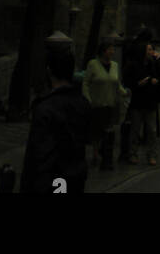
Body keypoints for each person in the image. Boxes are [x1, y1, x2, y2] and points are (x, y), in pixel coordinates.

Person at [21, 45, 91, 193]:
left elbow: (37, 155)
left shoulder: (45, 108)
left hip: (51, 181)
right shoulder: (82, 104)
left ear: (49, 71)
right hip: (75, 178)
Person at [81, 41, 126, 168]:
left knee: (108, 129)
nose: (112, 52)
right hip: (96, 103)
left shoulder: (115, 65)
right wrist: (87, 98)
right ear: (103, 51)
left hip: (110, 103)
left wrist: (124, 93)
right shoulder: (93, 64)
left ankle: (105, 151)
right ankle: (95, 153)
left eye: (113, 50)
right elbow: (85, 83)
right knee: (96, 130)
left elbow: (117, 83)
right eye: (109, 49)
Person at [126, 40, 160, 165]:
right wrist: (138, 84)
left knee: (151, 131)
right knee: (135, 129)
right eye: (149, 50)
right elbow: (129, 82)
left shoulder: (153, 65)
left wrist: (155, 81)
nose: (151, 52)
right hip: (138, 101)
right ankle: (133, 153)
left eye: (152, 49)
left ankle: (151, 155)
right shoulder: (134, 66)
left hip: (150, 102)